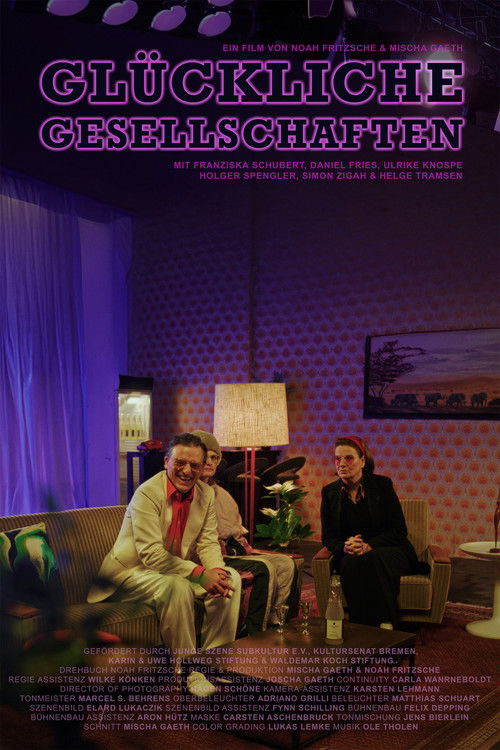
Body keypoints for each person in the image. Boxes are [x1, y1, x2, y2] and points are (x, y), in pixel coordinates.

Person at [88, 433, 241, 670]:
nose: (187, 471)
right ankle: (187, 671)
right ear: (166, 461)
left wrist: (216, 573)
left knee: (231, 580)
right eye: (180, 462)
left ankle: (215, 663)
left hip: (172, 572)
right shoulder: (147, 493)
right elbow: (151, 554)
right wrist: (201, 574)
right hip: (130, 576)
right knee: (176, 587)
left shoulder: (206, 494)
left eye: (195, 465)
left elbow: (208, 542)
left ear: (202, 468)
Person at [191, 430, 296, 633]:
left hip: (234, 549)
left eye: (214, 457)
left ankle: (276, 621)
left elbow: (237, 532)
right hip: (210, 556)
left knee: (285, 563)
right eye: (206, 457)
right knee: (264, 568)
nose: (210, 462)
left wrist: (245, 548)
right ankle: (255, 631)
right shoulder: (191, 491)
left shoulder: (223, 494)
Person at [320, 436, 421, 630]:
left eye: (348, 458)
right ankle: (362, 627)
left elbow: (399, 530)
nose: (342, 464)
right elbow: (328, 537)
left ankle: (387, 623)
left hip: (389, 549)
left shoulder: (382, 485)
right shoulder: (329, 492)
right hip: (351, 553)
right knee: (350, 564)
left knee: (373, 559)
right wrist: (344, 546)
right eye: (337, 458)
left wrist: (369, 545)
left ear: (363, 461)